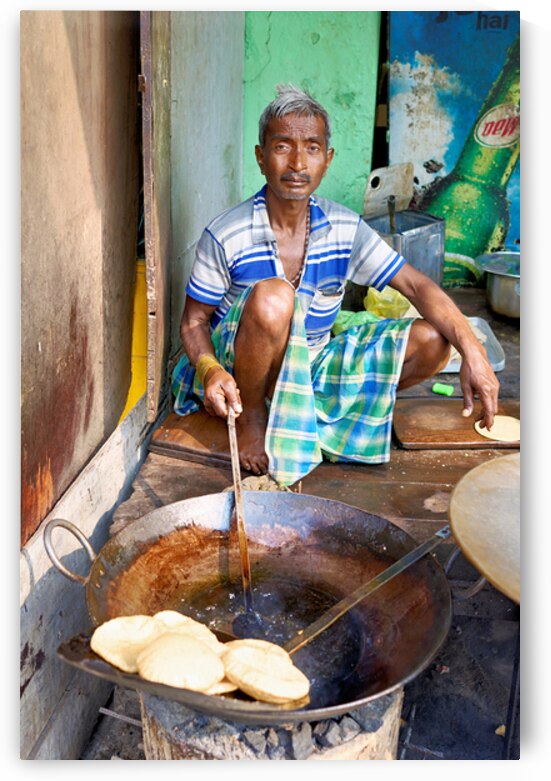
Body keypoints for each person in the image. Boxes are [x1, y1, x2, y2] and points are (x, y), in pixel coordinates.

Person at [172, 84, 499, 483]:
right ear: (260, 157)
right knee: (275, 296)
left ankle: (311, 414)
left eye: (311, 148)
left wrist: (474, 352)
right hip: (240, 372)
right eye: (282, 147)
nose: (297, 163)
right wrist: (208, 370)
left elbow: (416, 286)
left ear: (327, 160)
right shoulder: (227, 233)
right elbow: (193, 322)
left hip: (313, 366)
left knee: (434, 341)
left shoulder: (345, 227)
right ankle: (254, 418)